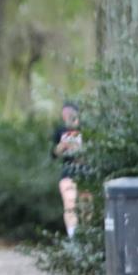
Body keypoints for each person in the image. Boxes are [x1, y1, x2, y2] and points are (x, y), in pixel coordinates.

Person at [52, 101, 86, 238]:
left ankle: (86, 235)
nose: (66, 116)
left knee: (86, 206)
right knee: (70, 202)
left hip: (86, 172)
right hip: (68, 172)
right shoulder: (60, 131)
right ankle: (73, 236)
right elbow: (54, 154)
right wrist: (62, 146)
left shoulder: (86, 129)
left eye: (69, 113)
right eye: (64, 113)